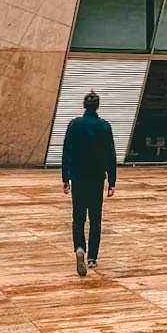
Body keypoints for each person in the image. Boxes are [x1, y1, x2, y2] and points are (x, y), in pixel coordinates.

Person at [61, 90, 116, 277]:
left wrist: (65, 178)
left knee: (78, 218)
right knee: (95, 219)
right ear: (97, 106)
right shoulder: (104, 126)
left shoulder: (74, 125)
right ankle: (92, 257)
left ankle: (79, 248)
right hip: (96, 178)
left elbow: (67, 151)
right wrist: (112, 181)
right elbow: (110, 155)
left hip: (78, 178)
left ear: (84, 106)